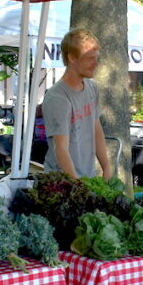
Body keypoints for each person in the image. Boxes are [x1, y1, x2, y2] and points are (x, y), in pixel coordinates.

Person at [42, 28, 112, 180]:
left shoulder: (92, 87)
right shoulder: (57, 97)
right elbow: (60, 148)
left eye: (96, 58)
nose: (96, 64)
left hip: (87, 177)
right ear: (72, 58)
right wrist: (77, 184)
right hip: (61, 181)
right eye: (90, 58)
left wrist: (106, 166)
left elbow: (96, 128)